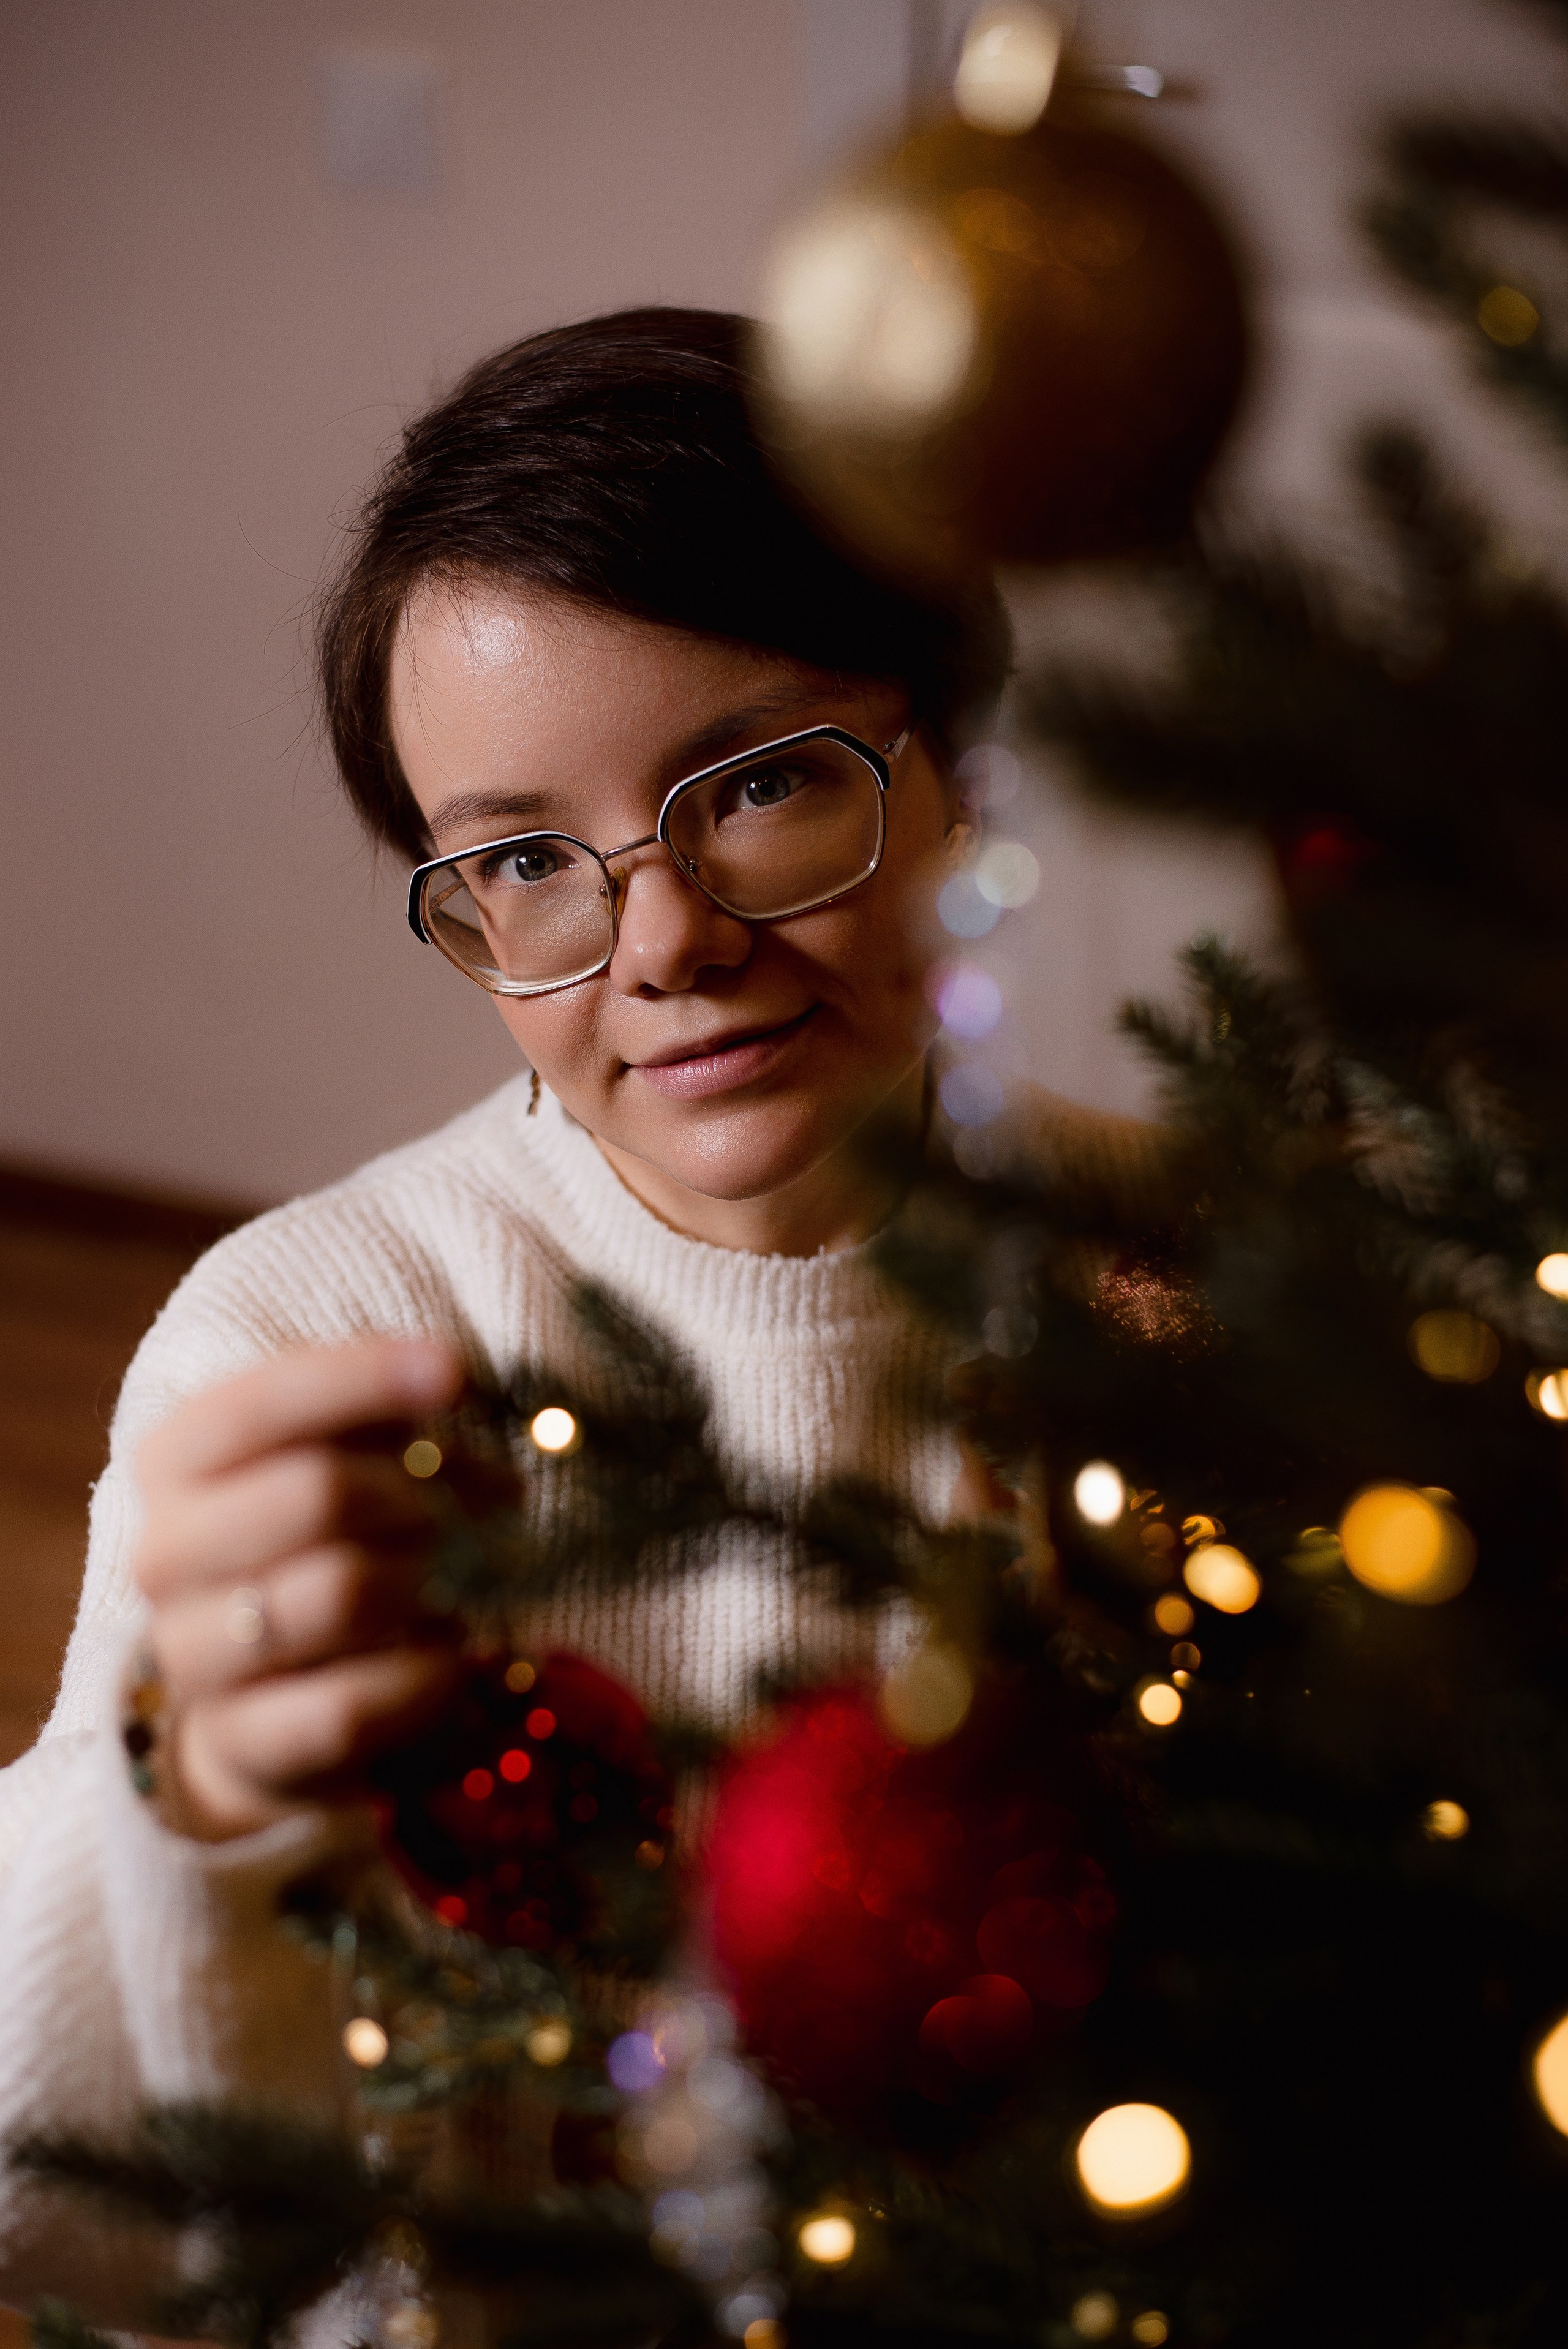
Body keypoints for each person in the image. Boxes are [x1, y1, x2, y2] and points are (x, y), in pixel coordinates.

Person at [0, 307, 1148, 2324]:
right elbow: (84, 2216)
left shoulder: (1185, 1279)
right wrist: (198, 1809)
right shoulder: (307, 1339)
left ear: (960, 763)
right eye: (528, 858)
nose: (667, 942)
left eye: (763, 783)